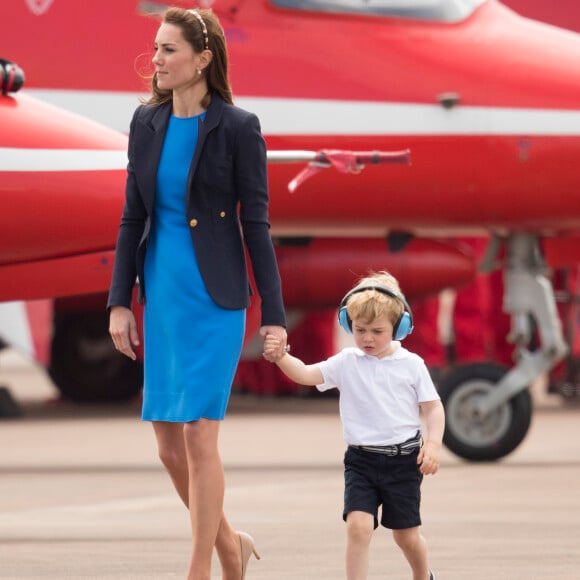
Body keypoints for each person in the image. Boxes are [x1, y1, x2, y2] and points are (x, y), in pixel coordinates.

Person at [107, 7, 287, 579]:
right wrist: (118, 301)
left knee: (199, 438)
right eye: (156, 48)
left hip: (214, 300)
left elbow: (255, 225)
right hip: (161, 295)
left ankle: (200, 569)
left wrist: (274, 317)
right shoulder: (146, 123)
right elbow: (131, 218)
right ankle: (232, 545)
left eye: (168, 50)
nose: (155, 60)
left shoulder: (238, 127)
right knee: (167, 449)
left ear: (203, 59)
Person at [263, 271, 444, 580]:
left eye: (377, 331)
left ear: (399, 327)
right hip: (361, 460)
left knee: (405, 536)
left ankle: (422, 575)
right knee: (358, 526)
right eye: (359, 330)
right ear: (348, 324)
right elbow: (307, 374)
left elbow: (432, 407)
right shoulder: (347, 361)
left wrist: (433, 444)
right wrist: (281, 358)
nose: (367, 338)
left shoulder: (411, 365)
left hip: (403, 461)